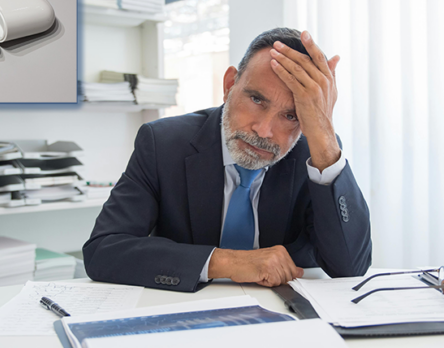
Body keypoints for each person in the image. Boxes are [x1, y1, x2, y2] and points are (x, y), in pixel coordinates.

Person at [83, 27, 372, 292]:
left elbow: (350, 267)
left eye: (291, 116)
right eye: (257, 100)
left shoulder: (316, 154)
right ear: (230, 83)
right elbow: (103, 250)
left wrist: (323, 136)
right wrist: (228, 262)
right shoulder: (163, 144)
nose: (264, 130)